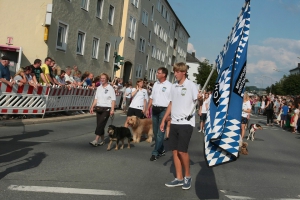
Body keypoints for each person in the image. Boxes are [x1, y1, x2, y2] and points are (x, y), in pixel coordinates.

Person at [160, 62, 198, 190]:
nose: (175, 74)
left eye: (177, 72)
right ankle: (179, 178)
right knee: (175, 152)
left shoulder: (191, 86)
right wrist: (164, 120)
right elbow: (171, 103)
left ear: (183, 72)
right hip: (174, 122)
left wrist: (201, 99)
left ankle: (188, 176)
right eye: (174, 72)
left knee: (182, 151)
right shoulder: (174, 86)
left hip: (186, 123)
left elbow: (198, 101)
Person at [146, 67, 172, 161]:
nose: (157, 74)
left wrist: (169, 114)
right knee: (155, 132)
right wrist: (147, 108)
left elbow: (171, 102)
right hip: (155, 109)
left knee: (160, 133)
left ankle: (155, 153)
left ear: (164, 74)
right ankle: (161, 149)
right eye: (157, 72)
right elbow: (152, 97)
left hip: (163, 110)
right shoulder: (156, 84)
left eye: (158, 72)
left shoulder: (170, 85)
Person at [89, 73, 116, 147]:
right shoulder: (99, 88)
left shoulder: (110, 88)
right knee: (100, 125)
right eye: (101, 78)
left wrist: (112, 110)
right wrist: (92, 107)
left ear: (107, 79)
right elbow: (96, 99)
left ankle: (96, 140)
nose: (102, 79)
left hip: (106, 109)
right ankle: (103, 140)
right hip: (99, 108)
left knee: (100, 124)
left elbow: (113, 100)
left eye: (104, 78)